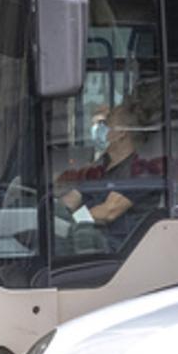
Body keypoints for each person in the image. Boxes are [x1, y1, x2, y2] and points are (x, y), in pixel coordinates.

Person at [60, 105, 160, 251]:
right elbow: (76, 195)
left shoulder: (140, 171)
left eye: (107, 122)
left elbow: (109, 211)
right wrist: (55, 212)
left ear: (122, 133)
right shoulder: (103, 163)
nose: (101, 127)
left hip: (114, 249)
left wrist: (70, 222)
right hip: (87, 236)